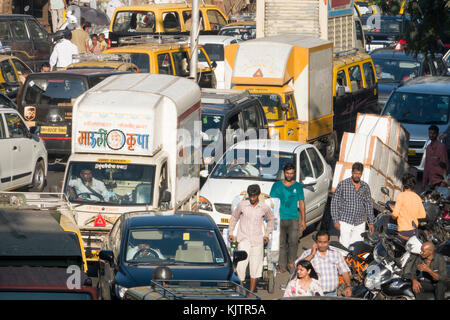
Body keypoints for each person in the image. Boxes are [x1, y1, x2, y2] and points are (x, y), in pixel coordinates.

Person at [228, 184, 274, 295]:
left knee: (255, 267)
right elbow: (234, 217)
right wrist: (230, 232)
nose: (252, 199)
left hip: (257, 240)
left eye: (254, 196)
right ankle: (242, 289)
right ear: (248, 195)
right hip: (243, 239)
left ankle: (251, 292)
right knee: (241, 266)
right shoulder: (242, 205)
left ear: (258, 195)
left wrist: (267, 234)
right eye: (251, 196)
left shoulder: (264, 207)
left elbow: (271, 219)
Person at [269, 162, 306, 273]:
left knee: (293, 241)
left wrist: (303, 220)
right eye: (287, 173)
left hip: (294, 218)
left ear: (294, 173)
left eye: (291, 173)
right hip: (280, 218)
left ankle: (291, 262)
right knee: (281, 242)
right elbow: (272, 203)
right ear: (284, 173)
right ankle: (282, 264)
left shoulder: (298, 186)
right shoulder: (277, 185)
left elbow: (302, 203)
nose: (289, 175)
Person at [331, 162, 375, 248]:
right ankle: (343, 261)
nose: (357, 176)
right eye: (355, 173)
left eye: (359, 174)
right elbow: (334, 202)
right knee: (344, 245)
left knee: (357, 246)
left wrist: (371, 222)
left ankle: (353, 262)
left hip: (360, 222)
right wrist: (335, 220)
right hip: (345, 221)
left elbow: (368, 205)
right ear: (352, 172)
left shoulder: (365, 187)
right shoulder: (343, 184)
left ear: (361, 174)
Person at [297, 230, 352, 297]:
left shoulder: (336, 254)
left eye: (325, 242)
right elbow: (299, 266)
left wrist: (348, 286)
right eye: (320, 242)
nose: (322, 245)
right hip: (314, 294)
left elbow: (344, 271)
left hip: (332, 294)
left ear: (328, 242)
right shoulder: (308, 253)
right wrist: (312, 255)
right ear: (316, 242)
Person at [392, 173, 426, 240]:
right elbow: (423, 215)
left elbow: (395, 214)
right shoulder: (417, 197)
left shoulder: (401, 196)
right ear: (414, 185)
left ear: (403, 185)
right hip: (414, 231)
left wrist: (393, 217)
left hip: (403, 230)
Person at [422, 125, 449, 191]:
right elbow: (427, 166)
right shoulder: (428, 148)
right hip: (431, 182)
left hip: (439, 182)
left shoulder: (441, 147)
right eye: (430, 133)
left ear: (437, 134)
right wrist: (423, 183)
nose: (431, 135)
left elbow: (445, 165)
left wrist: (444, 182)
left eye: (433, 133)